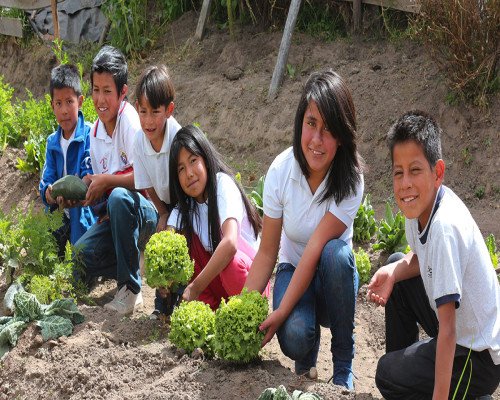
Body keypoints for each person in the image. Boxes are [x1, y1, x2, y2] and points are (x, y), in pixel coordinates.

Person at [244, 69, 364, 390]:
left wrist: (282, 310)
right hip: (293, 267)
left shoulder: (351, 179)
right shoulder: (281, 171)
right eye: (311, 123)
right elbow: (267, 252)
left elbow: (315, 248)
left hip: (333, 281)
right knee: (296, 336)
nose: (316, 140)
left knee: (335, 253)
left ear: (342, 135)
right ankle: (306, 359)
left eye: (329, 129)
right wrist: (240, 310)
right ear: (300, 123)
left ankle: (343, 363)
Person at [367, 111, 500, 399]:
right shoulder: (419, 205)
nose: (405, 183)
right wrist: (392, 273)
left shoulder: (444, 229)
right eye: (398, 172)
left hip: (479, 356)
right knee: (396, 268)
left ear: (437, 172)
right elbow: (419, 258)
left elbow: (449, 330)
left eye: (415, 170)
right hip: (461, 330)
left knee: (387, 374)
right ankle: (413, 382)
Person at [75, 46, 157, 315]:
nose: (100, 99)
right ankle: (135, 263)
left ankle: (131, 289)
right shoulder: (95, 134)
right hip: (120, 216)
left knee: (120, 197)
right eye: (96, 90)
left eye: (107, 91)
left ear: (122, 93)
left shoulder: (130, 121)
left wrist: (107, 182)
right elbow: (105, 189)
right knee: (80, 254)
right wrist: (89, 189)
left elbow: (145, 178)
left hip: (148, 214)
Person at [166, 124, 265, 311]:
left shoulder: (223, 185)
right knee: (188, 248)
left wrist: (195, 288)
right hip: (220, 286)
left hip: (250, 282)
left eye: (193, 160)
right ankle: (212, 315)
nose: (189, 173)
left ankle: (246, 315)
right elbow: (168, 238)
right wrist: (166, 276)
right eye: (181, 169)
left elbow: (230, 244)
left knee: (229, 262)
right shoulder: (186, 207)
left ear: (205, 158)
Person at [133, 65, 182, 319]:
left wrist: (172, 218)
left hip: (187, 202)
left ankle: (180, 299)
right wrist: (162, 213)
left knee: (177, 245)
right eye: (143, 111)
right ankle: (162, 305)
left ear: (169, 110)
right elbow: (146, 184)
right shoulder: (138, 141)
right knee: (159, 242)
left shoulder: (178, 138)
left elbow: (187, 189)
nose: (148, 121)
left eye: (155, 112)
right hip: (164, 202)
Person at [39, 64, 96, 257]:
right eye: (58, 103)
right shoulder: (52, 142)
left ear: (80, 101)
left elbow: (88, 175)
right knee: (48, 254)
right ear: (52, 106)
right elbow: (47, 178)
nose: (64, 110)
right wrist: (48, 194)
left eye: (69, 102)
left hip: (83, 213)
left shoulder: (89, 134)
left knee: (81, 262)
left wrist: (74, 194)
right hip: (59, 212)